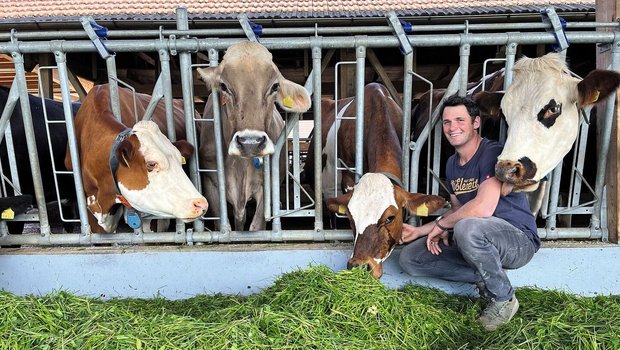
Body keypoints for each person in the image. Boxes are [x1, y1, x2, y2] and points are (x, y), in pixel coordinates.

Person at [398, 94, 540, 331]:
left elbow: (482, 208)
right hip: (479, 239)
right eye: (446, 122)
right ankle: (486, 275)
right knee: (411, 257)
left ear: (476, 123)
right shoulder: (452, 165)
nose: (452, 127)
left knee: (467, 226)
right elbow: (457, 210)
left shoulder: (493, 153)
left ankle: (503, 299)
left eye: (459, 120)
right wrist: (419, 231)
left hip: (518, 241)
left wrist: (443, 226)